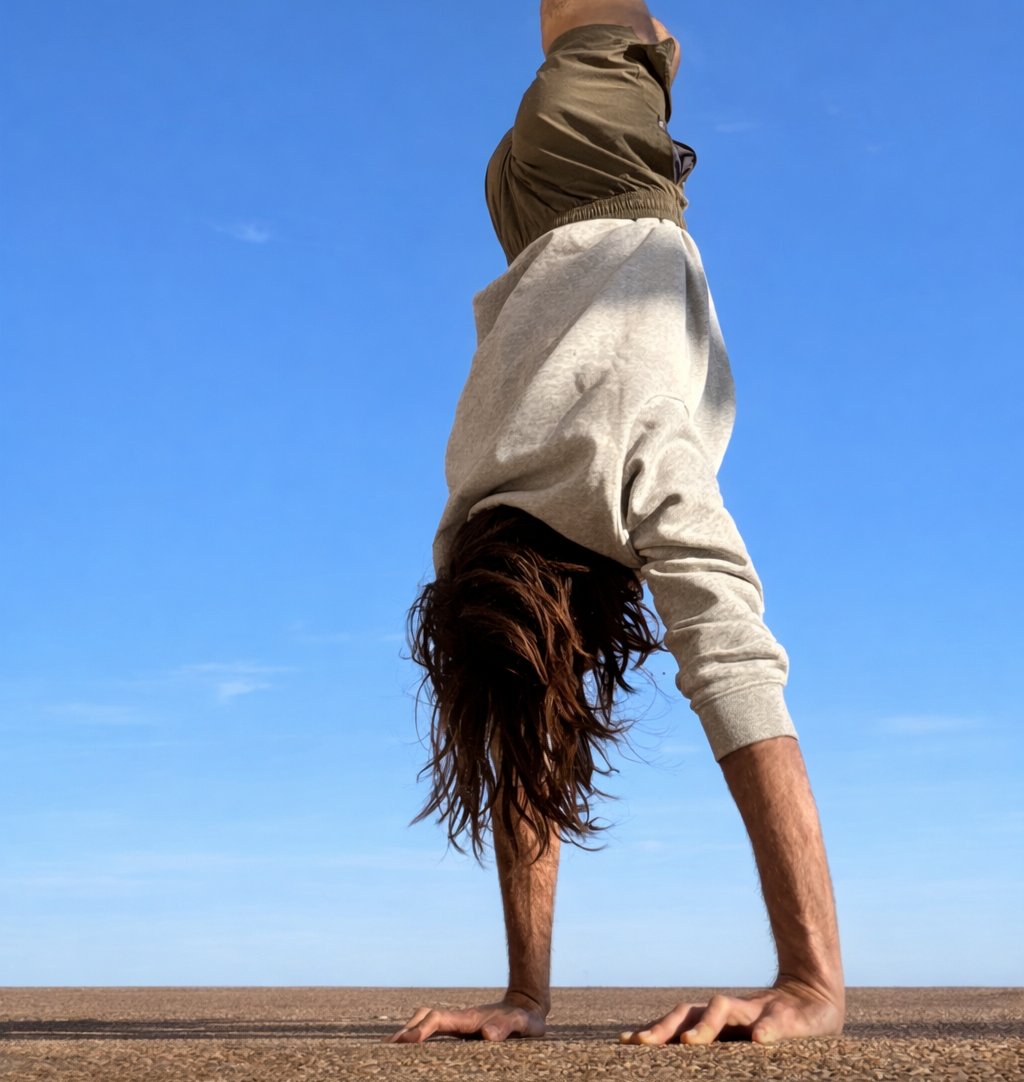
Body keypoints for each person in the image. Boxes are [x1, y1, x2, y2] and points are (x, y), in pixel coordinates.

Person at [385, 0, 845, 1047]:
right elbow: (531, 739)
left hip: (549, 210)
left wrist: (814, 981)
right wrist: (523, 998)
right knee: (578, 21)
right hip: (573, 191)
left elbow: (730, 672)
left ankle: (645, 41)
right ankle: (644, 41)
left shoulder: (617, 496)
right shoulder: (470, 534)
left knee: (578, 16)